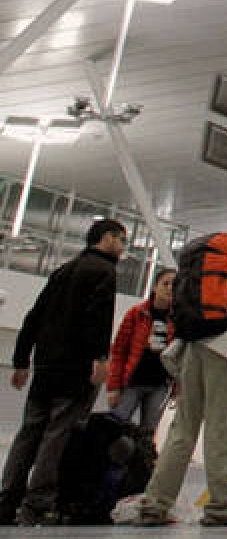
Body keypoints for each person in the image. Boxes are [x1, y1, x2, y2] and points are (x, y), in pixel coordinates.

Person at [139, 224, 227, 527]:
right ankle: (222, 507)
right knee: (221, 428)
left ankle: (155, 503)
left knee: (182, 429)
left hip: (194, 347)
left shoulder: (219, 264)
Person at [0, 219, 125, 526]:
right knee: (57, 435)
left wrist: (20, 361)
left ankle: (7, 499)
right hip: (75, 368)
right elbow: (98, 316)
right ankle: (37, 503)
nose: (124, 247)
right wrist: (99, 357)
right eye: (121, 240)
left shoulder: (64, 270)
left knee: (29, 432)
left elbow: (34, 316)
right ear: (107, 238)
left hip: (45, 367)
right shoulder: (105, 272)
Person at [107, 266, 177, 429]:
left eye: (174, 285)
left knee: (147, 433)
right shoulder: (136, 313)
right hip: (131, 382)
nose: (170, 289)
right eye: (165, 284)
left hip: (159, 386)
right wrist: (113, 386)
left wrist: (176, 388)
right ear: (155, 286)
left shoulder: (179, 320)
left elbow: (180, 358)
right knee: (114, 429)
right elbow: (118, 351)